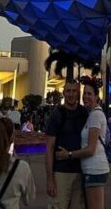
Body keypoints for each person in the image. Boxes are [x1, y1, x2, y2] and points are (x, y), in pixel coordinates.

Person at [56, 84, 109, 209]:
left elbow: (91, 150)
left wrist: (68, 154)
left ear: (97, 96)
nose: (85, 96)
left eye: (89, 94)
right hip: (91, 169)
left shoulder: (96, 115)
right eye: (84, 93)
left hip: (95, 169)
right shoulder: (91, 114)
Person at [45, 80, 88, 209]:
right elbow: (49, 148)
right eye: (68, 91)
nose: (71, 94)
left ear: (78, 93)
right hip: (61, 174)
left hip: (80, 172)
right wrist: (50, 179)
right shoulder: (57, 114)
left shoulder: (84, 113)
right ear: (63, 93)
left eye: (74, 91)